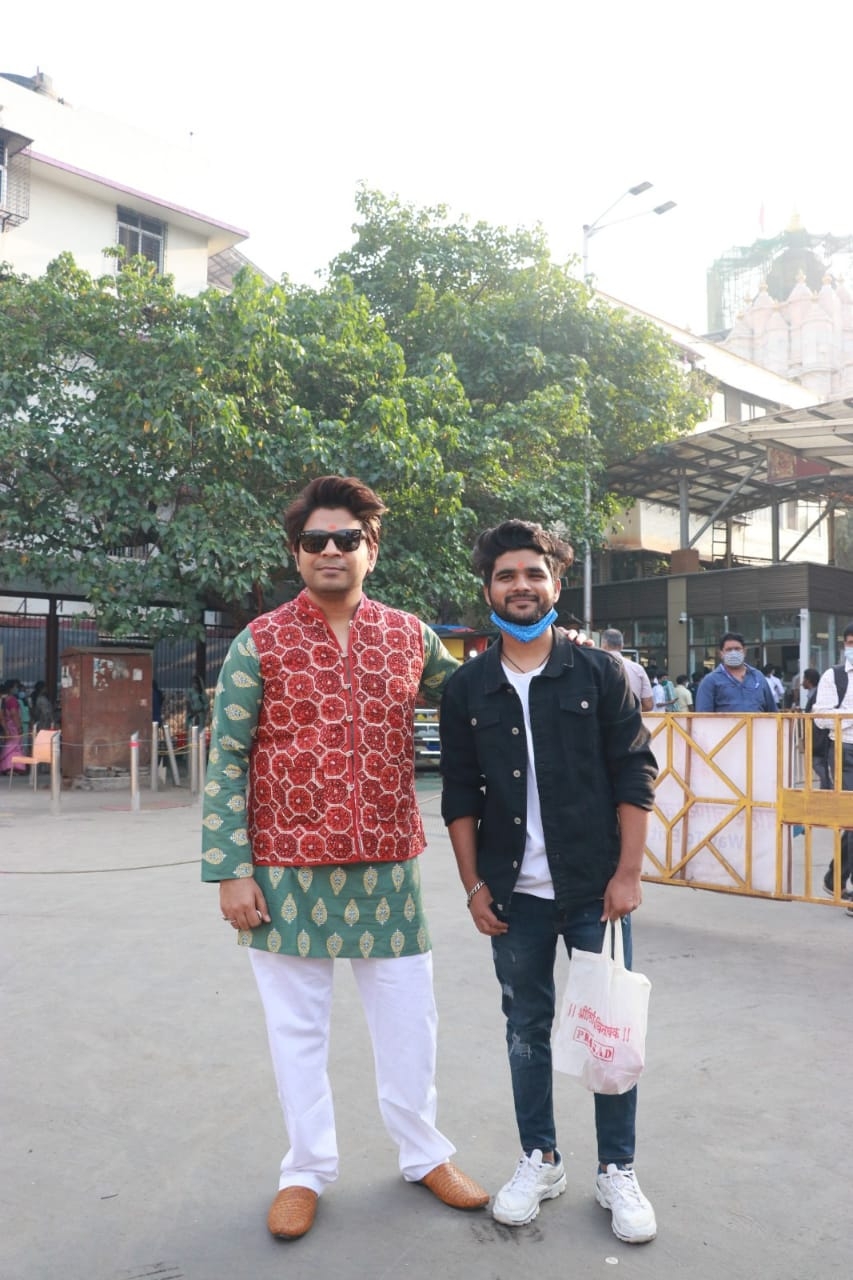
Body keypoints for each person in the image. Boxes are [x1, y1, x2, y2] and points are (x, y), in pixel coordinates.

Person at [201, 475, 489, 1241]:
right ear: (296, 555)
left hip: (387, 864)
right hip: (282, 868)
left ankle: (424, 1153)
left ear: (372, 548)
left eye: (345, 539)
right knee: (296, 1030)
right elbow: (226, 757)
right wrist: (230, 869)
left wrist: (545, 659)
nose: (330, 551)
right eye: (314, 541)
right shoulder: (256, 641)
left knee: (408, 1021)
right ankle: (306, 1169)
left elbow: (472, 705)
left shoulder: (409, 636)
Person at [439, 519, 659, 1244]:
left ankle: (616, 1170)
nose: (521, 586)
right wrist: (474, 888)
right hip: (513, 897)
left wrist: (627, 875)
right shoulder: (468, 686)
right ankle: (540, 1157)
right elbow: (460, 796)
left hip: (595, 890)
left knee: (609, 1036)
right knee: (526, 1030)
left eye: (533, 574)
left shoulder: (599, 674)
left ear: (555, 586)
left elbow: (634, 773)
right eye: (506, 576)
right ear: (488, 591)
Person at [813, 626, 853, 904]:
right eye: (851, 642)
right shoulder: (833, 676)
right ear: (844, 644)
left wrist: (845, 715)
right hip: (844, 751)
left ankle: (835, 876)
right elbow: (823, 718)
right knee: (851, 820)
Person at [694, 633, 777, 713]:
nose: (733, 653)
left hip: (757, 727)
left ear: (744, 651)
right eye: (729, 650)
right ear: (721, 653)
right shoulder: (710, 681)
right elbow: (703, 717)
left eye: (737, 649)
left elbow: (772, 711)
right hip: (725, 727)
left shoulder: (758, 677)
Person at [600, 629, 653, 712]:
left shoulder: (595, 667)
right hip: (632, 722)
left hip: (601, 722)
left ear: (604, 645)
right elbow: (648, 705)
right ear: (622, 646)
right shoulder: (637, 669)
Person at [802, 668, 831, 792]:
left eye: (804, 679)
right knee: (820, 763)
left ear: (808, 680)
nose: (802, 682)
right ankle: (826, 787)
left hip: (819, 735)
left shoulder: (817, 695)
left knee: (817, 763)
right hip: (818, 735)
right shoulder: (813, 694)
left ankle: (828, 786)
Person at [0, 679, 26, 775]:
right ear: (10, 688)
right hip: (13, 726)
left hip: (6, 725)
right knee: (14, 746)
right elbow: (14, 714)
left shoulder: (4, 700)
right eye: (15, 687)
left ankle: (7, 767)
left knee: (10, 745)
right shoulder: (12, 700)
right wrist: (19, 727)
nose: (17, 689)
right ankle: (12, 768)